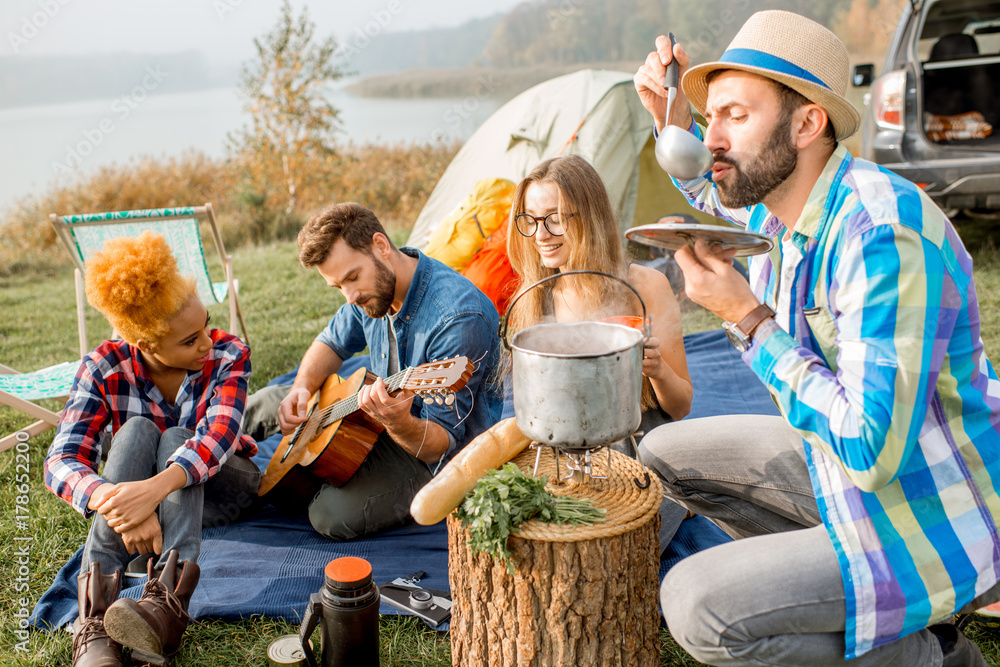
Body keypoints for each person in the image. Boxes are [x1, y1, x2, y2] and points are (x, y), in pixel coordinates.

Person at [633, 10, 1000, 666]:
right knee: (663, 453)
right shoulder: (782, 205)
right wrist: (671, 123)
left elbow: (869, 450)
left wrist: (750, 320)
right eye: (709, 117)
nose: (711, 136)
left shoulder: (881, 235)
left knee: (696, 603)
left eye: (734, 117)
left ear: (807, 125)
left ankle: (930, 651)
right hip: (848, 478)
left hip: (935, 512)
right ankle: (879, 613)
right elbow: (717, 192)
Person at [44, 231, 261, 667]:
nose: (206, 343)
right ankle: (96, 624)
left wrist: (151, 491)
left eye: (204, 326)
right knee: (137, 429)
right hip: (142, 507)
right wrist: (117, 501)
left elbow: (217, 440)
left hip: (223, 488)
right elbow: (59, 461)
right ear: (145, 345)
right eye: (188, 341)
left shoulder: (228, 354)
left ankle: (166, 607)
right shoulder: (102, 366)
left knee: (180, 438)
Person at [245, 202, 502, 540]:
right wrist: (302, 388)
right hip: (378, 410)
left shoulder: (457, 318)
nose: (349, 297)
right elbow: (332, 343)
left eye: (352, 278)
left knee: (328, 515)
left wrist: (398, 422)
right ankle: (191, 454)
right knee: (264, 402)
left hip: (434, 457)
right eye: (338, 287)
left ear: (381, 246)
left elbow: (438, 446)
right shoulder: (370, 292)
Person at [505, 154, 693, 545]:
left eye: (555, 218)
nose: (541, 234)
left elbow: (681, 406)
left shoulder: (645, 287)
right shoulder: (535, 297)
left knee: (614, 540)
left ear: (589, 219)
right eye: (531, 220)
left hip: (641, 441)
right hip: (566, 445)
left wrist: (656, 370)